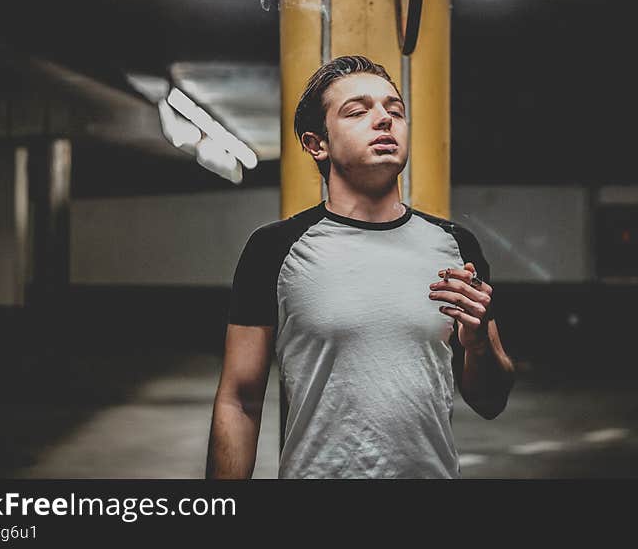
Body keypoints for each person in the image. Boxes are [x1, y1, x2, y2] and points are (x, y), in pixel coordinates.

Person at [208, 55, 515, 479]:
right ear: (317, 143)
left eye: (395, 110)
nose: (384, 120)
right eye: (358, 111)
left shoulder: (456, 247)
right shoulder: (273, 249)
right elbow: (240, 400)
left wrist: (480, 345)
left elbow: (490, 401)